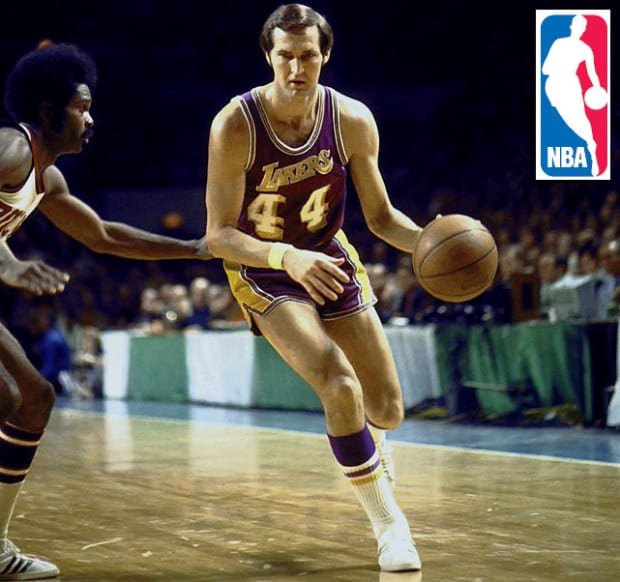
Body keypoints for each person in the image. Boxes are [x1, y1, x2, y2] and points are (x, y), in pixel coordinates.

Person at [205, 4, 424, 572]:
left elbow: (382, 218)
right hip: (263, 265)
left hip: (326, 253)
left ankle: (374, 450)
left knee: (387, 408)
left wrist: (428, 242)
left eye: (307, 56)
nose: (296, 68)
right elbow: (218, 235)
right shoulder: (235, 124)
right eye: (285, 56)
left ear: (326, 55)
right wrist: (287, 257)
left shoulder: (351, 118)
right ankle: (389, 525)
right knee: (338, 381)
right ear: (268, 56)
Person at [0, 42, 212, 579]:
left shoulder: (46, 178)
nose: (91, 118)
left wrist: (194, 249)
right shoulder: (12, 148)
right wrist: (8, 261)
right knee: (10, 396)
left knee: (31, 399)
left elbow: (104, 235)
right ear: (48, 111)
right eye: (82, 107)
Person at [541, 14, 603, 176]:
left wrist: (598, 89)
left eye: (582, 27)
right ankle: (589, 144)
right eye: (577, 25)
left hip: (571, 85)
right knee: (566, 120)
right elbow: (545, 69)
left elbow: (592, 73)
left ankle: (592, 148)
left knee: (581, 119)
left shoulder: (585, 49)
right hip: (554, 85)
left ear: (584, 30)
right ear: (572, 26)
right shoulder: (558, 43)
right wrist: (560, 65)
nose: (579, 29)